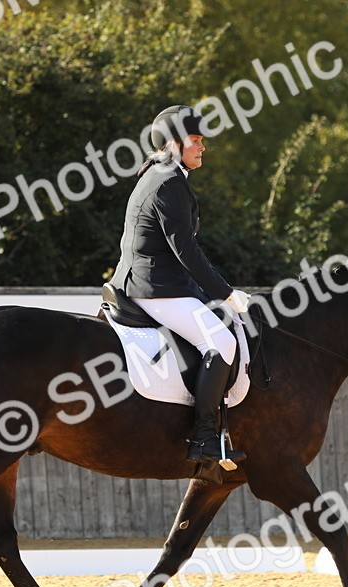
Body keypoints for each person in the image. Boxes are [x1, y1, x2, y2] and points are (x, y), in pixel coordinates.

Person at [110, 104, 250, 466]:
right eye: (196, 140)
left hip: (157, 281)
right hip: (153, 287)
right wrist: (226, 293)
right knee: (222, 342)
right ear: (174, 142)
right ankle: (204, 438)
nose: (202, 147)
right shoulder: (168, 182)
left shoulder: (163, 174)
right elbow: (185, 250)